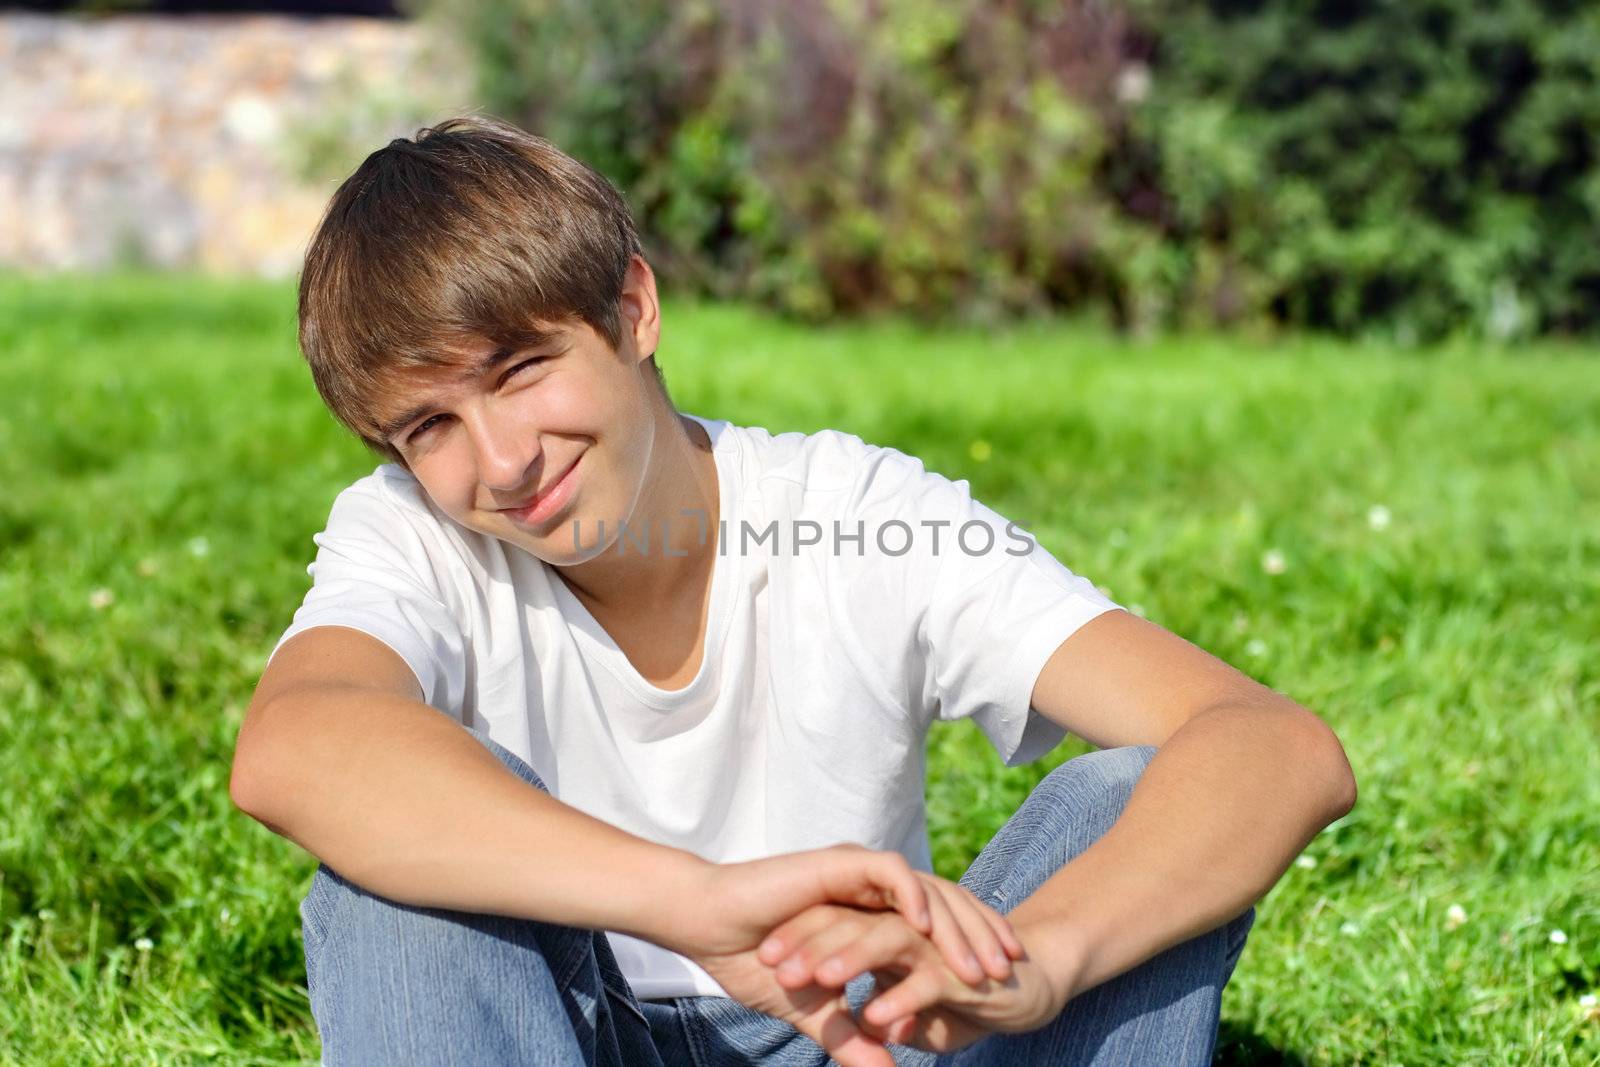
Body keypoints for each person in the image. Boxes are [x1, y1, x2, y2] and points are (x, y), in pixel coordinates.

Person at [228, 114, 1357, 1066]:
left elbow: (1270, 744)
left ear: (633, 310)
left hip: (871, 1030)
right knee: (388, 886)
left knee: (1129, 796)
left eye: (521, 370)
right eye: (431, 425)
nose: (503, 459)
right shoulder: (411, 535)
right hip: (562, 1030)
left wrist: (1041, 965)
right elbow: (298, 744)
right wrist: (686, 900)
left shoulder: (852, 511)